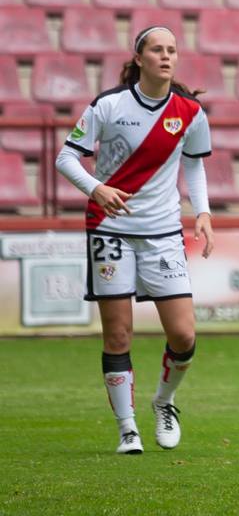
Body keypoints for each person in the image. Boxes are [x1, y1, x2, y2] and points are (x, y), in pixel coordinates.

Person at [54, 26, 214, 455]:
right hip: (110, 229)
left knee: (183, 336)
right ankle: (127, 428)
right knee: (118, 336)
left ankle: (164, 401)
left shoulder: (190, 112)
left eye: (172, 50)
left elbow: (195, 165)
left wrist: (203, 212)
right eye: (157, 49)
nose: (166, 56)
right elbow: (66, 156)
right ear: (139, 58)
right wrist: (96, 189)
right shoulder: (109, 105)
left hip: (162, 233)